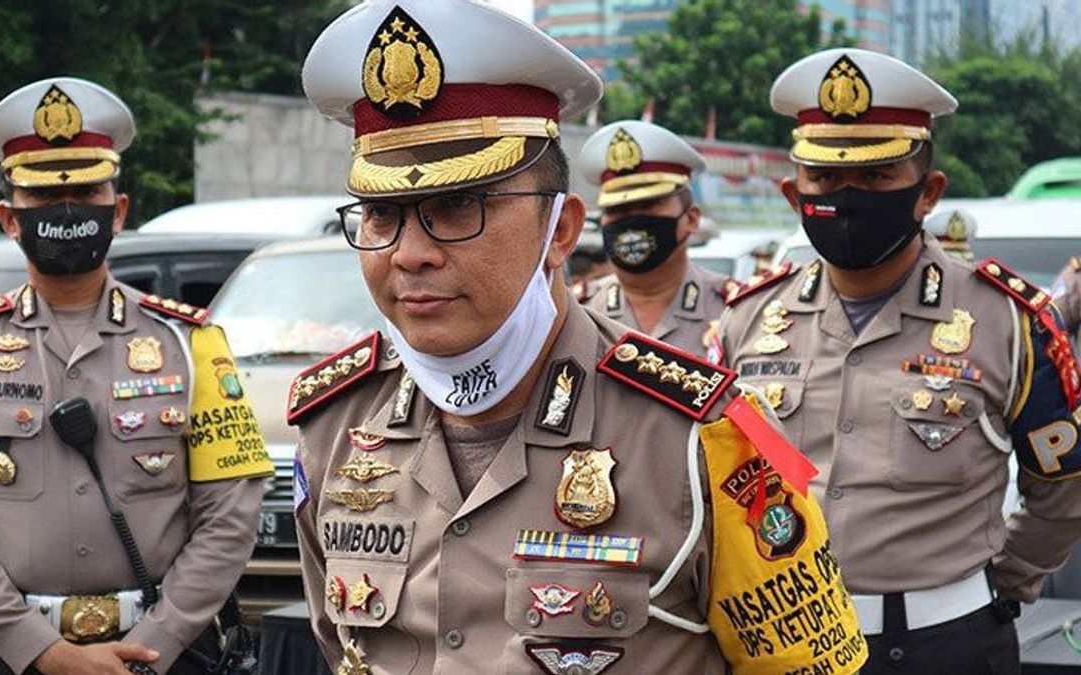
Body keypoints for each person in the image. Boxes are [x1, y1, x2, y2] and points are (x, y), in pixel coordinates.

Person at [293, 2, 867, 674]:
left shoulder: (707, 435)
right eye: (382, 214)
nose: (409, 252)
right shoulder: (333, 424)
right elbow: (342, 649)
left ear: (560, 231)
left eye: (457, 206)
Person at [718, 48, 1081, 674]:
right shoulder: (746, 321)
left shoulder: (1006, 322)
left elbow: (1064, 488)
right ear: (793, 192)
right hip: (779, 646)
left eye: (879, 176)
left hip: (944, 645)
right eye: (826, 181)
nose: (849, 197)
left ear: (927, 192)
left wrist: (995, 586)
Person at [0, 77, 272, 675]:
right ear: (9, 218)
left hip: (166, 656)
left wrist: (160, 639)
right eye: (42, 198)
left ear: (118, 210)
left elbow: (230, 515)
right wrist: (42, 651)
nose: (65, 212)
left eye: (86, 192)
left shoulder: (189, 342)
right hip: (9, 656)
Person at [576, 121, 733, 356]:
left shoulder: (733, 310)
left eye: (648, 205)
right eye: (616, 210)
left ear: (691, 219)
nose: (631, 220)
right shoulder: (576, 312)